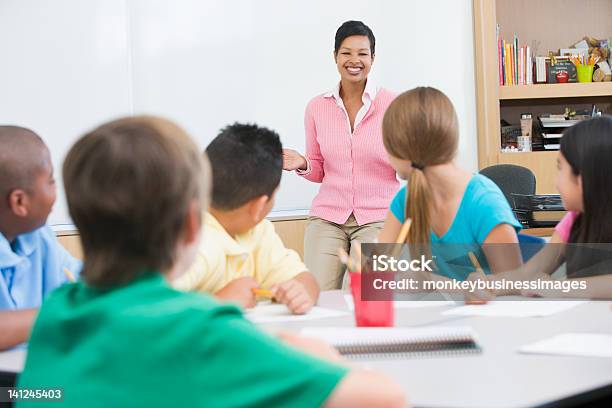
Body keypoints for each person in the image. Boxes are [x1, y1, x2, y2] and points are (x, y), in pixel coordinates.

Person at [17, 116, 407, 408]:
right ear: (192, 222)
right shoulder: (201, 329)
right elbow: (386, 396)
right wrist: (322, 357)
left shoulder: (56, 314)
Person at [283, 20, 399, 290]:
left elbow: (407, 163)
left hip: (378, 217)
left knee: (365, 294)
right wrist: (303, 163)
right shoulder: (316, 107)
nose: (354, 60)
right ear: (335, 56)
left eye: (362, 53)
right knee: (319, 296)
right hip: (329, 218)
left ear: (373, 57)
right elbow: (319, 169)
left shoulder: (392, 104)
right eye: (346, 53)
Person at [378, 87, 522, 280]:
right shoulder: (404, 200)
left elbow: (517, 284)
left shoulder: (483, 201)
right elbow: (377, 273)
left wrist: (432, 282)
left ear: (402, 148)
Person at [174, 123, 319, 314]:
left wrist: (300, 291)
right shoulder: (193, 243)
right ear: (259, 206)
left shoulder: (258, 231)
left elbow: (303, 278)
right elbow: (143, 316)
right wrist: (219, 302)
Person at [481, 115, 612, 299]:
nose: (555, 182)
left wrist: (560, 288)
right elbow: (529, 273)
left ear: (583, 177)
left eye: (560, 169)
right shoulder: (574, 219)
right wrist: (488, 283)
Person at [0, 126, 81, 350]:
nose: (56, 191)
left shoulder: (38, 236)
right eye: (50, 181)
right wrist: (62, 312)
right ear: (19, 202)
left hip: (24, 375)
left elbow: (80, 280)